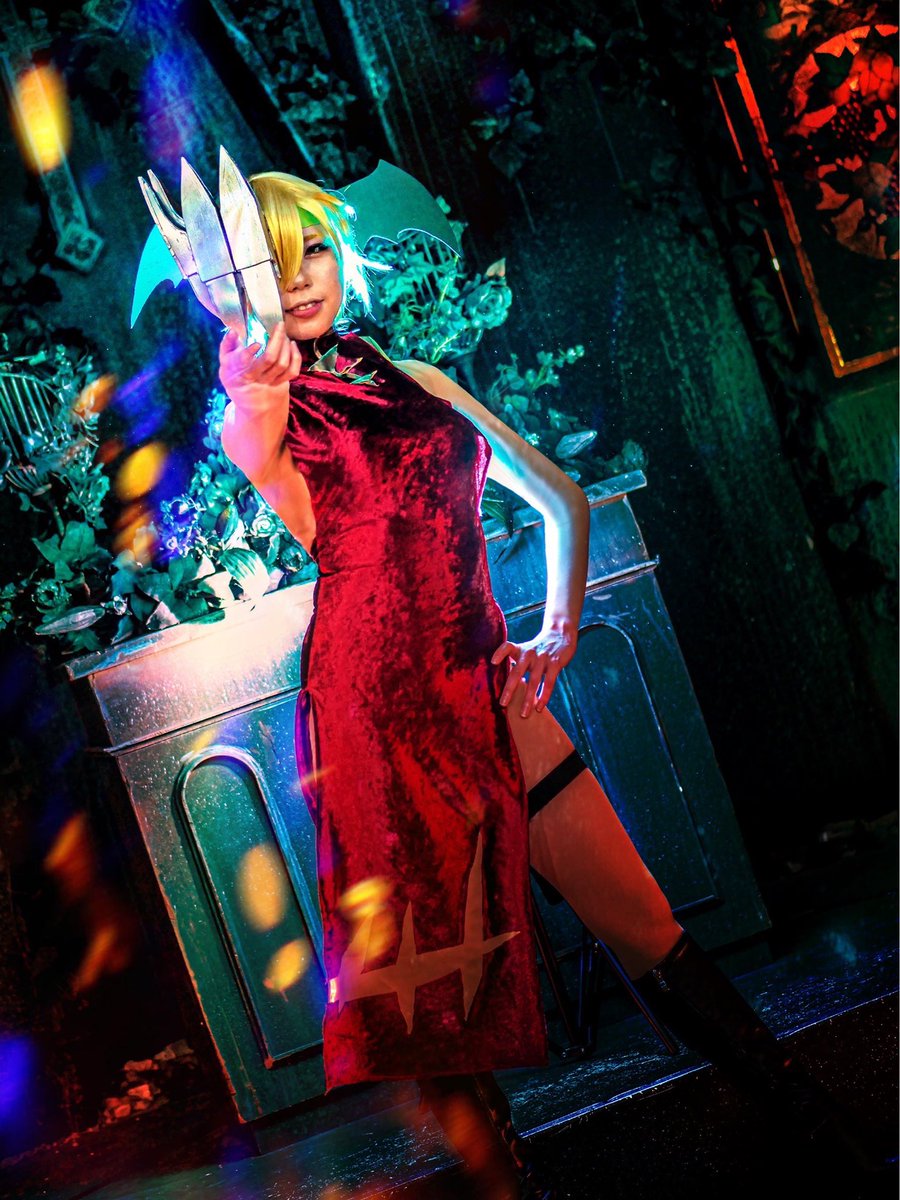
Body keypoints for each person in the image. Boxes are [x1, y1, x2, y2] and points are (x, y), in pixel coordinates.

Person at [216, 171, 883, 1200]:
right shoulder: (263, 417)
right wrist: (249, 383)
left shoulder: (418, 379)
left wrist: (558, 630)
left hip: (483, 684)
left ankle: (830, 1145)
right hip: (375, 717)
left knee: (646, 924)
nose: (301, 278)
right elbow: (257, 434)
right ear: (240, 289)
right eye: (272, 262)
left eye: (313, 248)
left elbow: (561, 497)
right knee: (435, 1008)